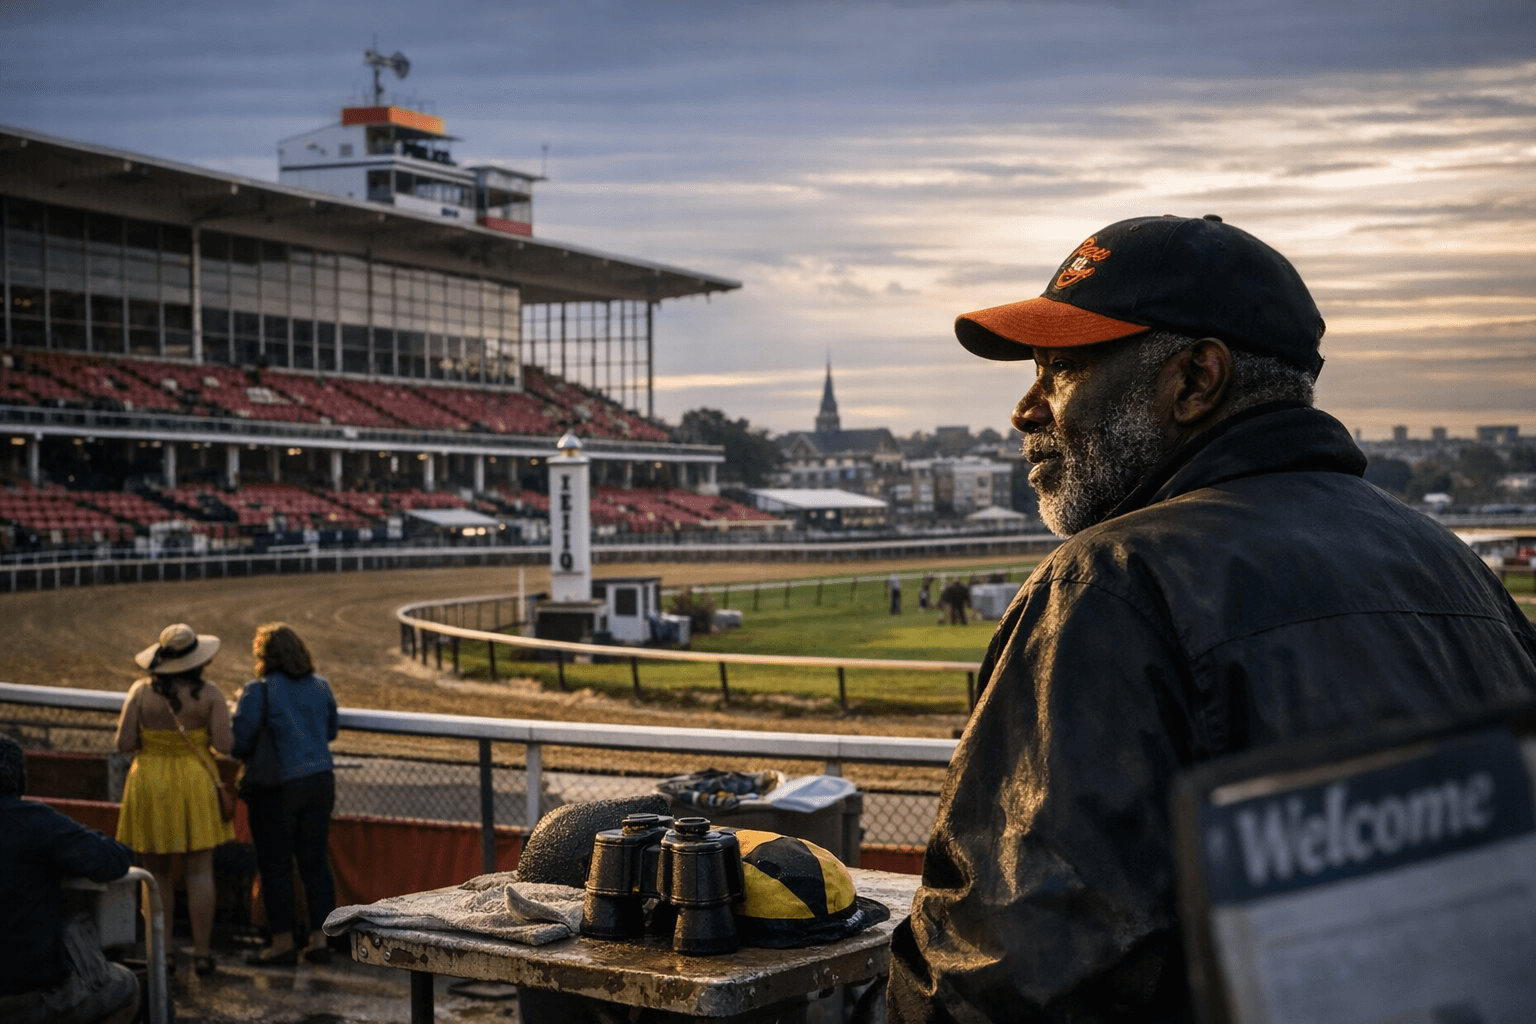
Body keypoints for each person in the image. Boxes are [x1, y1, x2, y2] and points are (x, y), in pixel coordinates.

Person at [886, 214, 1536, 1023]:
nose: (1025, 409)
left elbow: (1010, 986)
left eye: (1060, 370)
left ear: (1196, 380)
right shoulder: (1451, 562)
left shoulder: (1109, 581)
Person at [114, 622, 234, 979]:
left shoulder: (140, 692)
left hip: (150, 779)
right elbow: (225, 746)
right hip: (195, 782)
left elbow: (123, 743)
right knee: (199, 871)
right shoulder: (209, 693)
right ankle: (201, 952)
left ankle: (162, 953)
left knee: (156, 874)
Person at [0, 736, 140, 1024]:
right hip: (25, 996)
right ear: (20, 780)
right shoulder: (36, 821)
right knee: (127, 985)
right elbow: (112, 859)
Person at [232, 622, 339, 966]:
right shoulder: (320, 686)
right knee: (316, 864)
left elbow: (239, 745)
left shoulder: (257, 691)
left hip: (277, 789)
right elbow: (332, 730)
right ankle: (320, 938)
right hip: (321, 781)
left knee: (276, 867)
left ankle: (281, 942)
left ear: (264, 656)